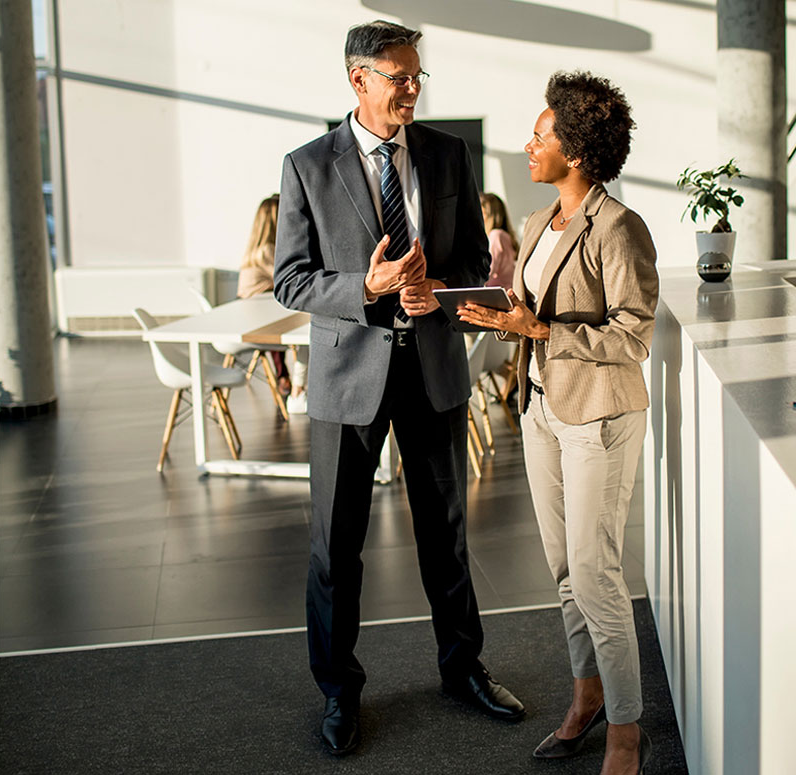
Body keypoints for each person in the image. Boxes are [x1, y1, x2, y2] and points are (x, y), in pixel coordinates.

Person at [274, 19, 524, 756]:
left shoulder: (449, 155)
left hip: (433, 368)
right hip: (349, 377)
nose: (413, 88)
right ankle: (338, 693)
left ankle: (463, 669)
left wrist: (437, 288)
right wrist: (368, 285)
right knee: (335, 547)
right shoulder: (306, 166)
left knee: (445, 536)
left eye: (418, 75)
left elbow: (477, 255)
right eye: (400, 77)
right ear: (359, 80)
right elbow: (291, 277)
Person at [457, 71, 658, 775]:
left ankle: (626, 732)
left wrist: (538, 327)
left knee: (597, 573)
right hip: (541, 408)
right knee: (566, 569)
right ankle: (587, 694)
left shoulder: (621, 227)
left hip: (598, 415)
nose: (527, 145)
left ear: (573, 149)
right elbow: (529, 314)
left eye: (539, 135)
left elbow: (633, 334)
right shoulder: (541, 223)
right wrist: (495, 315)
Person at [237, 195, 307, 408]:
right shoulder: (268, 251)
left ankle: (286, 378)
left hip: (251, 310)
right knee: (304, 332)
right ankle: (297, 387)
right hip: (259, 318)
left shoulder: (256, 249)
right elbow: (289, 280)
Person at [480, 192, 518, 288]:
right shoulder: (504, 236)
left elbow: (489, 268)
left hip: (498, 293)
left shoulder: (496, 235)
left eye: (482, 213)